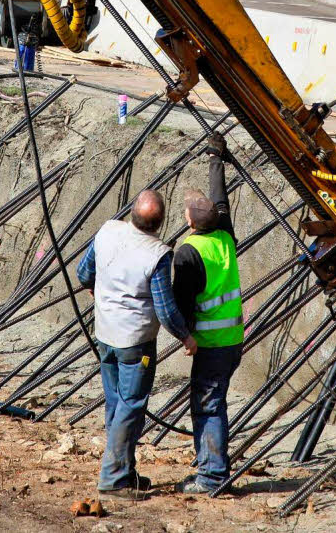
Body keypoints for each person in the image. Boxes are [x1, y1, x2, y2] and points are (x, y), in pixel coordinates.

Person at [77, 189, 197, 501]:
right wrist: (186, 336)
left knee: (116, 403)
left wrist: (95, 288)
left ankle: (124, 470)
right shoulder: (158, 253)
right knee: (130, 406)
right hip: (135, 342)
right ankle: (113, 478)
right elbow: (165, 308)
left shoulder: (107, 230)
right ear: (161, 221)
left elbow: (83, 272)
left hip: (104, 333)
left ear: (132, 212)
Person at [173, 132, 244, 495]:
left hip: (211, 343)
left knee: (208, 405)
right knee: (212, 402)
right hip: (233, 341)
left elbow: (182, 301)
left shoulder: (188, 252)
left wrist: (183, 334)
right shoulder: (225, 237)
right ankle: (210, 463)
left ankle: (213, 476)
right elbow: (221, 200)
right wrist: (216, 159)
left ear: (189, 222)